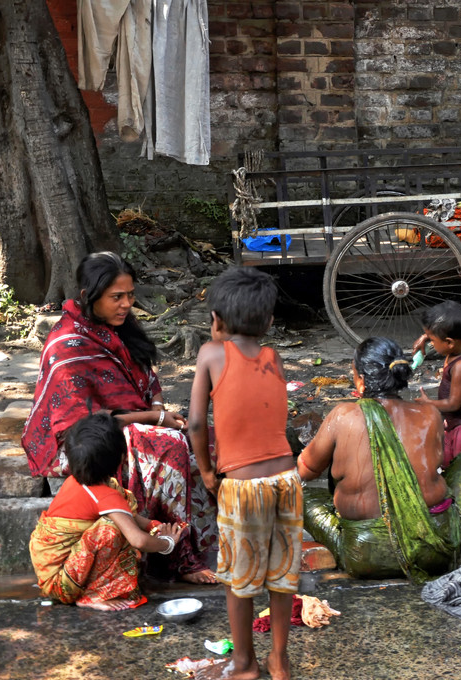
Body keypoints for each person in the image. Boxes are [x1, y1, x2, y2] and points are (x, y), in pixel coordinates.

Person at [21, 251, 217, 583]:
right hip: (82, 441)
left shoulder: (121, 326)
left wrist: (157, 407)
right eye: (116, 297)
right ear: (88, 297)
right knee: (165, 444)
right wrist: (155, 419)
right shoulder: (66, 345)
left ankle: (212, 544)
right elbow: (81, 425)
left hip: (130, 420)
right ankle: (174, 555)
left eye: (130, 295)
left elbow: (147, 378)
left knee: (207, 440)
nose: (126, 304)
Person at [296, 337, 461, 583]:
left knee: (297, 493)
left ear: (360, 380)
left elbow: (304, 472)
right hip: (437, 547)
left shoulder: (342, 415)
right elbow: (435, 466)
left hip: (366, 554)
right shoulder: (430, 414)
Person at [187, 266, 301, 680]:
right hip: (287, 480)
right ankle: (280, 658)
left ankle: (244, 663)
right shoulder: (275, 357)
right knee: (282, 574)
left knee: (239, 578)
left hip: (242, 485)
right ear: (269, 322)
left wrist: (206, 471)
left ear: (216, 320)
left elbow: (196, 423)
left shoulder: (210, 354)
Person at [28, 413, 187, 611]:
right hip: (59, 584)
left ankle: (88, 590)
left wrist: (153, 525)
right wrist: (168, 543)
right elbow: (138, 540)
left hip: (55, 572)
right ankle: (92, 596)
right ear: (121, 458)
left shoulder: (81, 481)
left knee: (124, 504)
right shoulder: (105, 497)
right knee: (112, 528)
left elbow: (129, 515)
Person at [411, 301, 461, 468]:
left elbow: (453, 403)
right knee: (447, 465)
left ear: (450, 343)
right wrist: (424, 337)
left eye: (433, 340)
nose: (431, 343)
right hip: (453, 424)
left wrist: (428, 404)